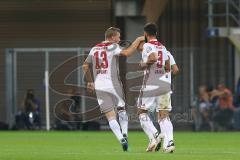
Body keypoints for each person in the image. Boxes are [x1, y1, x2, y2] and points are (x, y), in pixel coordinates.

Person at [83, 27, 144, 151]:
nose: (119, 39)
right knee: (121, 110)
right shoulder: (113, 46)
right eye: (118, 37)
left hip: (100, 86)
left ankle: (121, 138)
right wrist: (137, 40)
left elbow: (85, 66)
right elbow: (127, 53)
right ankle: (125, 133)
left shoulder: (94, 48)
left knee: (110, 116)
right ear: (111, 38)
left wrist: (90, 82)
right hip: (114, 85)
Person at [137, 23, 170, 152]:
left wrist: (143, 64)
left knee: (141, 112)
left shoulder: (147, 45)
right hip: (163, 83)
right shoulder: (163, 47)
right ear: (156, 33)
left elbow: (153, 57)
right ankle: (154, 141)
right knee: (162, 114)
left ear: (145, 33)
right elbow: (168, 67)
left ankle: (155, 135)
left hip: (150, 83)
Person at [154, 50, 179, 153]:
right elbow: (176, 70)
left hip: (156, 87)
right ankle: (165, 144)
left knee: (163, 116)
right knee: (160, 117)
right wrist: (168, 78)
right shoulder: (167, 52)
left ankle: (170, 141)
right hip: (165, 86)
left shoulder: (151, 51)